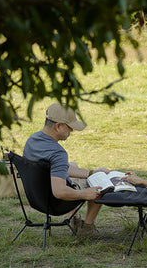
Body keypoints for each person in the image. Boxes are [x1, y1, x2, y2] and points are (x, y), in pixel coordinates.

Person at [23, 102, 109, 238]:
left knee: (73, 165)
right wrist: (85, 193)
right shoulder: (58, 153)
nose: (72, 131)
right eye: (70, 127)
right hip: (56, 203)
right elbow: (59, 191)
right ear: (58, 126)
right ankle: (87, 228)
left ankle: (75, 218)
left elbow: (58, 168)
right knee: (100, 185)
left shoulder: (32, 140)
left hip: (36, 198)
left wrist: (92, 172)